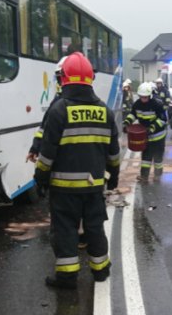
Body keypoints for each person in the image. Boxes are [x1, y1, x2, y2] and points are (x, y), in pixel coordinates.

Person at [33, 52, 120, 289]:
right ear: (90, 78)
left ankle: (67, 277)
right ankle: (101, 270)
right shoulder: (105, 111)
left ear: (65, 78)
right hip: (94, 187)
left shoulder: (59, 109)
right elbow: (113, 153)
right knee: (94, 228)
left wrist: (39, 179)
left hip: (64, 189)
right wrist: (113, 180)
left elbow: (47, 155)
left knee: (66, 231)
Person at [124, 82, 168, 180]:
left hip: (158, 136)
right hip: (146, 136)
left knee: (158, 158)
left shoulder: (157, 104)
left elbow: (163, 120)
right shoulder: (137, 104)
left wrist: (152, 128)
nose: (143, 99)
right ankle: (144, 176)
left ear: (150, 95)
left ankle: (158, 175)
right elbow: (132, 114)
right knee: (146, 157)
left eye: (145, 97)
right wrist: (127, 122)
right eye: (141, 97)